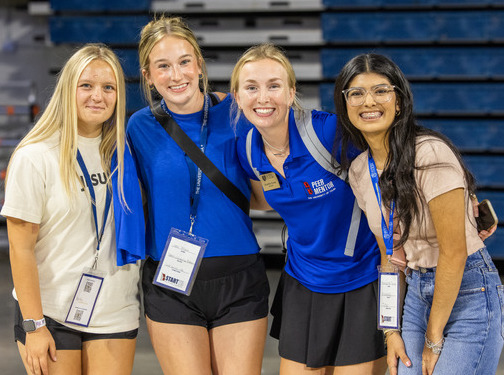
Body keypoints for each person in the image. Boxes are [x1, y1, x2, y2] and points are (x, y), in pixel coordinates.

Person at [334, 53, 504, 375]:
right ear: (345, 106)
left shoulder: (429, 153)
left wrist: (433, 337)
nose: (368, 101)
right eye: (356, 93)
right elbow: (388, 254)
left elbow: (454, 253)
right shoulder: (359, 171)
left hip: (468, 287)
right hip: (417, 290)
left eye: (381, 90)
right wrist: (391, 329)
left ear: (398, 101)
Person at [231, 43, 388, 375]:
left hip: (361, 280)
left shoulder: (327, 132)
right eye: (251, 87)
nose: (263, 97)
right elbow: (260, 199)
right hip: (302, 281)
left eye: (273, 86)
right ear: (237, 97)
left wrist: (457, 200)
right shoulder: (248, 150)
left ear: (291, 93)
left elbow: (395, 162)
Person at [126, 16, 270, 375]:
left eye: (184, 62)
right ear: (148, 76)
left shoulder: (239, 113)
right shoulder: (138, 127)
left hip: (238, 278)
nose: (176, 76)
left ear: (200, 65)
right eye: (163, 66)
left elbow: (262, 199)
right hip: (170, 281)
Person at [2, 43, 144, 375]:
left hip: (115, 310)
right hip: (51, 313)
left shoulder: (127, 152)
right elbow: (20, 249)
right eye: (87, 85)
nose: (99, 96)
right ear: (69, 89)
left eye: (109, 87)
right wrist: (34, 325)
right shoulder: (35, 155)